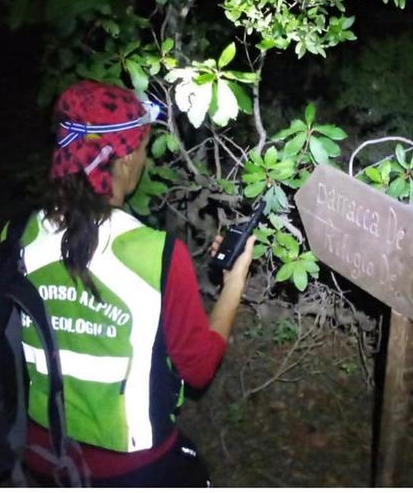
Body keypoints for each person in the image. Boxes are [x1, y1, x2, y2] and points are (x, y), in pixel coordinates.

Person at [16, 79, 254, 486]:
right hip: (133, 470)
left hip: (40, 457)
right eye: (143, 147)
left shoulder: (19, 237)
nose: (145, 158)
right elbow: (198, 368)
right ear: (125, 159)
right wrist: (234, 284)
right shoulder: (155, 255)